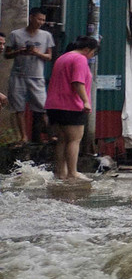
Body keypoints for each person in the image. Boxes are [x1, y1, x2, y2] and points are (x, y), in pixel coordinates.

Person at [46, 36, 99, 182]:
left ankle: (61, 173)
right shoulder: (80, 59)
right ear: (87, 49)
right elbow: (77, 82)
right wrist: (86, 101)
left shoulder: (62, 58)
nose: (92, 56)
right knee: (74, 140)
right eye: (93, 53)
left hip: (54, 105)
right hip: (71, 105)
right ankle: (73, 172)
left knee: (62, 140)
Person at [5, 8, 54, 142]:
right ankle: (23, 137)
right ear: (31, 17)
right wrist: (19, 52)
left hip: (37, 75)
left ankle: (51, 135)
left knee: (43, 107)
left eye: (43, 20)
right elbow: (6, 54)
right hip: (18, 75)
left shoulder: (46, 36)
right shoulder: (16, 34)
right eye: (39, 19)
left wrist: (37, 53)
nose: (41, 22)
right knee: (18, 107)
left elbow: (49, 56)